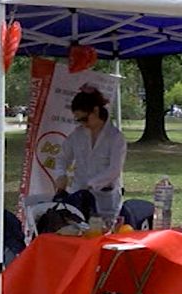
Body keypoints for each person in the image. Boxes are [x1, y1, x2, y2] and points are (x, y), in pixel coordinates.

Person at [53, 88, 127, 221]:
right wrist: (61, 175)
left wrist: (90, 184)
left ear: (96, 110)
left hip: (106, 202)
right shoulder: (77, 135)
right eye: (79, 120)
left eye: (85, 119)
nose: (83, 123)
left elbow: (114, 169)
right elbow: (62, 158)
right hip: (78, 200)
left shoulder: (116, 137)